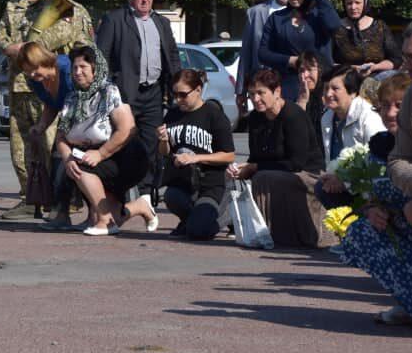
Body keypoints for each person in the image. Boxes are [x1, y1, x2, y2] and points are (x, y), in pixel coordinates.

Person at [0, 0, 90, 220]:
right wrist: (9, 47)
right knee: (20, 147)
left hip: (49, 86)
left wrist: (28, 47)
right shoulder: (13, 5)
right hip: (19, 84)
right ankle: (30, 197)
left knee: (52, 145)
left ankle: (61, 199)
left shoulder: (62, 3)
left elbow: (65, 34)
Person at [341, 20, 412, 326]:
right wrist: (374, 207)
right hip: (409, 213)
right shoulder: (411, 100)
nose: (408, 65)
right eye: (407, 57)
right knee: (361, 231)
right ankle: (410, 300)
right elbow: (397, 163)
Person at [95, 0, 181, 212]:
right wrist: (108, 88)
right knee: (124, 142)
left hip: (153, 92)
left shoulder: (161, 22)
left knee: (152, 143)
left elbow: (172, 55)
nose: (145, 0)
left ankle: (146, 193)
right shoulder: (115, 19)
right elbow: (101, 57)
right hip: (124, 93)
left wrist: (176, 83)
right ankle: (119, 193)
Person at [53, 45, 155, 235]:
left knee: (82, 167)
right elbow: (60, 137)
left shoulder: (110, 91)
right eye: (75, 68)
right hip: (93, 157)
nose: (77, 72)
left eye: (83, 67)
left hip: (124, 158)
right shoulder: (72, 98)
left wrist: (100, 154)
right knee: (75, 165)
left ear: (96, 68)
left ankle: (105, 222)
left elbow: (127, 129)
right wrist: (67, 158)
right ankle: (138, 207)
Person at [227, 68, 330, 248]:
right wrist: (243, 168)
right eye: (251, 94)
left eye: (261, 93)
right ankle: (236, 224)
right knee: (233, 175)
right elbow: (256, 157)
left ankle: (271, 233)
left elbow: (296, 163)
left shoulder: (293, 115)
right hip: (276, 171)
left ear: (277, 91)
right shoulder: (255, 118)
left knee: (263, 177)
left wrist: (255, 168)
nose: (255, 99)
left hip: (308, 174)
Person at [157, 69, 235, 240]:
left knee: (199, 232)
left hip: (211, 185)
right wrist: (163, 141)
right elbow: (165, 153)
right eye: (174, 94)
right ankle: (190, 221)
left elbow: (229, 155)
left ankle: (230, 212)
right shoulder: (173, 114)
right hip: (184, 184)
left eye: (183, 95)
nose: (178, 100)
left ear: (198, 90)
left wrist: (195, 158)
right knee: (171, 196)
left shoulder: (214, 115)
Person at [15, 43, 75, 230]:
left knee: (71, 166)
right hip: (67, 123)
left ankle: (97, 216)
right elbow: (52, 104)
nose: (32, 74)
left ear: (44, 60)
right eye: (27, 71)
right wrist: (41, 126)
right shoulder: (36, 80)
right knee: (58, 165)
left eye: (34, 68)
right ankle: (60, 215)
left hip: (87, 121)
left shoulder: (67, 69)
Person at [258, 0, 342, 101]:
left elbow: (334, 26)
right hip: (288, 88)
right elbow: (263, 53)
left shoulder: (320, 15)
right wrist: (290, 60)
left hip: (320, 88)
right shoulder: (276, 18)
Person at [316, 64, 385, 208]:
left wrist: (345, 182)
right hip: (343, 183)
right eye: (326, 88)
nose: (328, 94)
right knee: (322, 187)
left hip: (369, 188)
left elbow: (378, 164)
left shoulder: (368, 117)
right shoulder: (327, 117)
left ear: (353, 92)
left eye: (335, 89)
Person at [236, 0, 298, 121]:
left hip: (291, 88)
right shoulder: (256, 13)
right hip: (261, 89)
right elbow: (246, 54)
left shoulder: (305, 15)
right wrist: (241, 90)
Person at [332, 0, 400, 76]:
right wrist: (352, 68)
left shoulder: (380, 26)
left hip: (377, 77)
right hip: (345, 78)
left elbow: (396, 59)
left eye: (357, 2)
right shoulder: (336, 27)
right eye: (349, 3)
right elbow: (326, 61)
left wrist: (375, 67)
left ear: (366, 3)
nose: (353, 7)